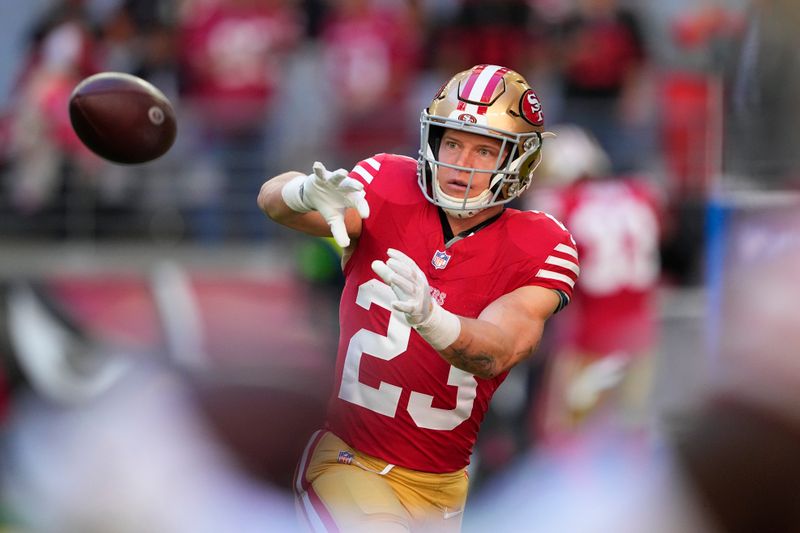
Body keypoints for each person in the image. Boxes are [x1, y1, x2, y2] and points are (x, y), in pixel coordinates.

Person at [258, 64, 579, 532]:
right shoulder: (387, 185)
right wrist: (301, 191)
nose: (460, 162)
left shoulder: (542, 242)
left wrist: (433, 318)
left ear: (520, 160)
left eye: (484, 150)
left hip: (443, 486)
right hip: (349, 461)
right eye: (452, 142)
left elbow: (501, 348)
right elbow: (271, 200)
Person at [527, 124, 662, 442]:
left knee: (565, 438)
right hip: (641, 339)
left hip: (589, 342)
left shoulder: (561, 203)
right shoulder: (639, 192)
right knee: (630, 437)